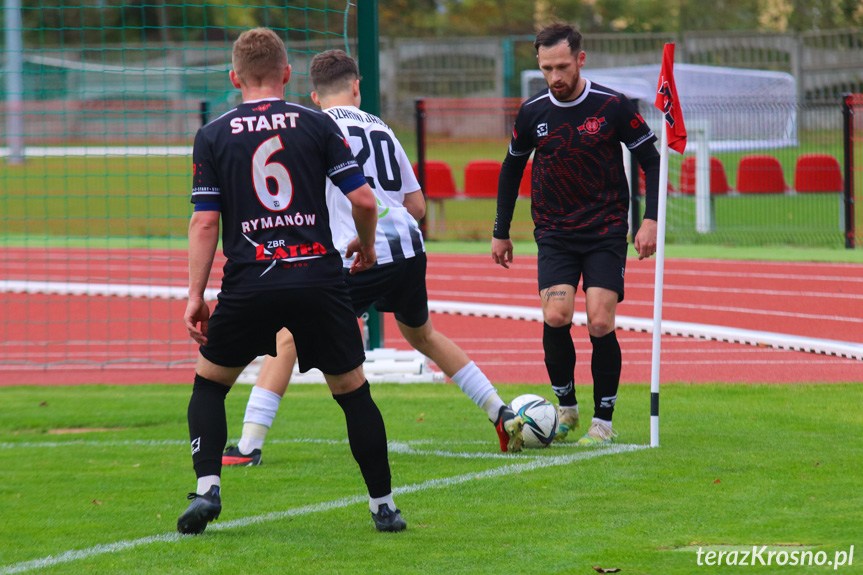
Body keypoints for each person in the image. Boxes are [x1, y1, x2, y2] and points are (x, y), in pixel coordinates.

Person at [221, 49, 525, 470]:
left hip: (356, 256)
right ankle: (500, 411)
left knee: (287, 335)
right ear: (357, 86)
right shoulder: (382, 127)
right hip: (407, 250)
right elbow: (417, 206)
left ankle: (249, 442)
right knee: (423, 336)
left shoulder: (310, 127)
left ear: (313, 95)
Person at [178, 29, 405, 535]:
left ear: (235, 77)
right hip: (318, 279)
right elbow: (365, 202)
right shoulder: (316, 124)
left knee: (209, 386)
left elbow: (205, 222)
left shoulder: (212, 134)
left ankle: (208, 489)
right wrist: (366, 247)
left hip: (250, 281)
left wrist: (196, 295)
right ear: (287, 74)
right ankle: (383, 506)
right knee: (353, 393)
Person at [491, 23, 660, 446]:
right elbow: (511, 167)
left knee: (601, 322)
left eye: (562, 66)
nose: (555, 77)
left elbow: (652, 161)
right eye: (547, 68)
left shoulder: (613, 106)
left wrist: (650, 219)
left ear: (580, 60)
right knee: (556, 316)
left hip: (604, 229)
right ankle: (566, 409)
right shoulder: (532, 113)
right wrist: (501, 230)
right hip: (554, 231)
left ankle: (602, 422)